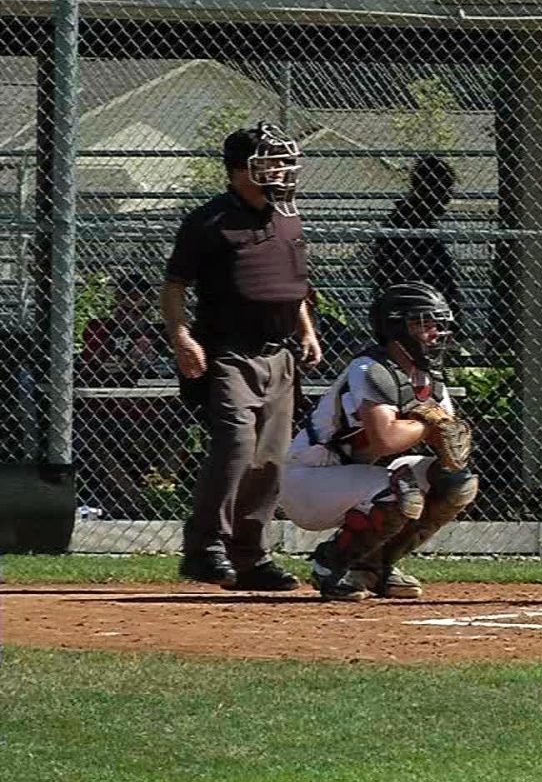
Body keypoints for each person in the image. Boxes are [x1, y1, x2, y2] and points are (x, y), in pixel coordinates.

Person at [161, 122, 321, 590]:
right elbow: (175, 286)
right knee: (235, 447)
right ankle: (205, 549)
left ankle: (251, 556)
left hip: (280, 354)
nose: (280, 170)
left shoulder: (288, 215)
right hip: (229, 352)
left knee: (270, 460)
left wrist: (306, 331)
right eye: (268, 161)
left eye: (282, 161)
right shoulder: (208, 222)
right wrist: (181, 336)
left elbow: (296, 287)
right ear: (238, 171)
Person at [281, 282, 477, 601]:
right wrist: (428, 425)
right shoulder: (371, 369)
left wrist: (450, 453)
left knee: (457, 484)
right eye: (421, 324)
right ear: (395, 327)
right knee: (400, 491)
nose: (433, 334)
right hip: (310, 479)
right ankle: (331, 564)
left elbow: (450, 445)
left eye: (436, 325)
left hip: (358, 476)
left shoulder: (429, 378)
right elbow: (385, 438)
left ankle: (374, 567)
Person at [76, 274, 178, 518]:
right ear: (115, 306)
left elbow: (171, 366)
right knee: (87, 429)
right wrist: (125, 362)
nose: (132, 317)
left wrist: (149, 359)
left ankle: (161, 491)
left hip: (154, 410)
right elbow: (95, 365)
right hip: (112, 409)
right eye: (124, 310)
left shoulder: (160, 333)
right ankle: (136, 498)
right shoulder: (101, 329)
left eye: (140, 310)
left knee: (182, 424)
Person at [373, 156, 461, 311]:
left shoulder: (419, 221)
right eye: (444, 189)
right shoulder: (406, 220)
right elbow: (404, 267)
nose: (448, 197)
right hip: (416, 304)